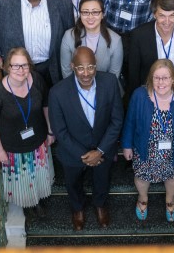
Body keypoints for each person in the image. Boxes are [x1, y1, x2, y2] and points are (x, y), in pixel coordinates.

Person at [48, 46, 124, 230]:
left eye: (90, 67)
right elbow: (60, 131)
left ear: (96, 66)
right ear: (72, 66)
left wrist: (99, 151)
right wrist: (84, 155)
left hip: (103, 148)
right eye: (81, 68)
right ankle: (77, 208)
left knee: (102, 178)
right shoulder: (57, 92)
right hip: (73, 152)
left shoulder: (110, 82)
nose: (86, 73)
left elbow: (117, 120)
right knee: (72, 182)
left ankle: (100, 205)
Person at [122, 59, 174, 223]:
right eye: (156, 78)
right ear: (151, 79)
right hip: (145, 150)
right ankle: (143, 199)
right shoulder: (139, 95)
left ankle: (170, 200)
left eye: (165, 78)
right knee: (142, 177)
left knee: (172, 176)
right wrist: (127, 145)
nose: (160, 82)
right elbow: (130, 122)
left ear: (173, 78)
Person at [0, 48, 55, 213]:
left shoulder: (36, 80)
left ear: (29, 66)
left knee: (37, 176)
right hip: (14, 149)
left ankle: (38, 200)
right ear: (8, 67)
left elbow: (45, 105)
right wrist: (0, 151)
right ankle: (27, 204)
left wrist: (51, 131)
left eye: (24, 65)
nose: (20, 70)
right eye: (15, 66)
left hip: (38, 142)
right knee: (23, 181)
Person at [59, 0, 123, 83]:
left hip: (106, 90)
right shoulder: (69, 36)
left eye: (95, 12)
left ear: (102, 14)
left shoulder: (115, 40)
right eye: (85, 12)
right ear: (80, 14)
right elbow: (66, 72)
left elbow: (113, 77)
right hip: (76, 89)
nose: (90, 17)